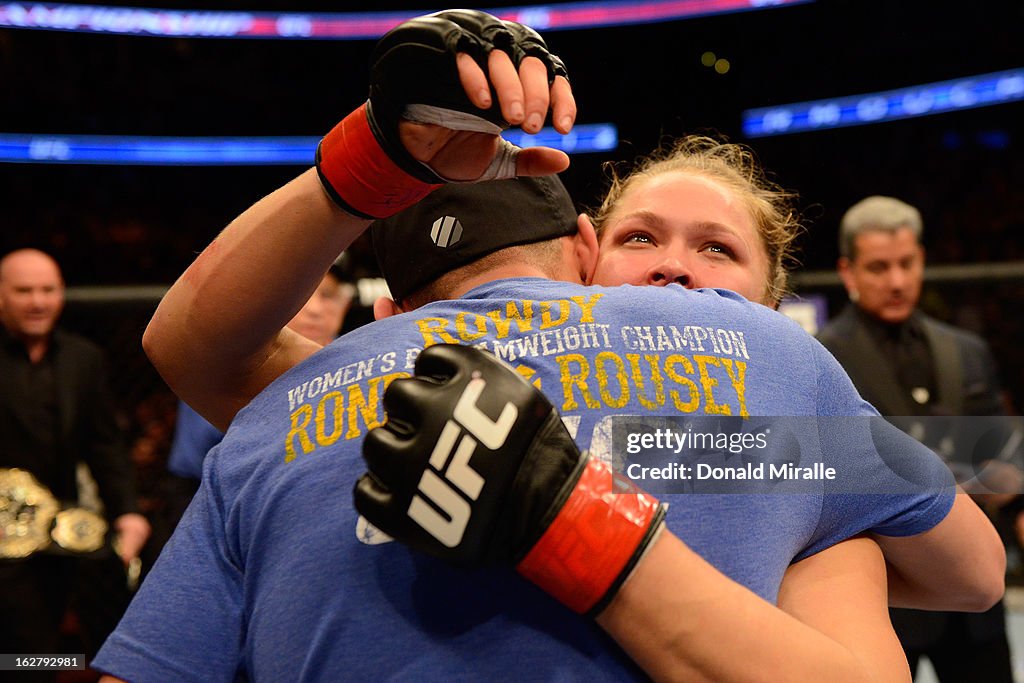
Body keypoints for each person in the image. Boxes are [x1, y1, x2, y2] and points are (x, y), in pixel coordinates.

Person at [93, 11, 998, 681]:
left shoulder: (791, 421)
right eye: (643, 240)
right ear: (587, 255)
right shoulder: (356, 395)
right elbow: (198, 352)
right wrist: (368, 157)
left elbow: (975, 570)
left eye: (717, 252)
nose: (677, 274)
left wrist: (580, 517)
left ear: (769, 301)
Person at [817, 195, 1014, 682]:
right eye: (879, 267)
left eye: (906, 263)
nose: (898, 281)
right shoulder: (821, 359)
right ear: (848, 272)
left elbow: (1003, 460)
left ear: (922, 259)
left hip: (974, 605)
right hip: (879, 603)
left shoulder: (967, 351)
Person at [0, 248, 151, 666]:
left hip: (58, 534)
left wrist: (128, 513)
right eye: (24, 290)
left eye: (47, 290)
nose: (37, 302)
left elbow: (105, 445)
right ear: (1, 295)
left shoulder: (83, 359)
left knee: (48, 656)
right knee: (17, 655)